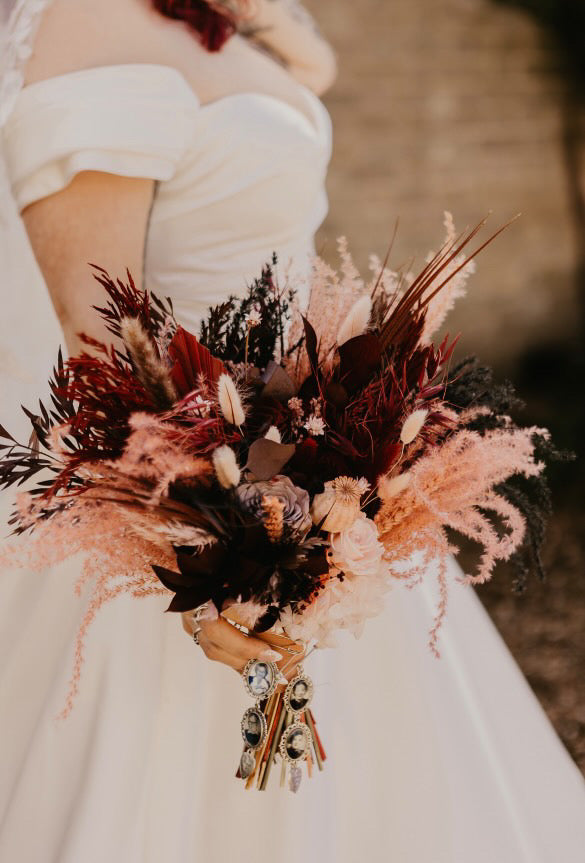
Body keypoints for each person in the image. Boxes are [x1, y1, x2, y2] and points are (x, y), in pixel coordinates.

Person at [1, 2, 585, 862]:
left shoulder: (233, 16)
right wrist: (207, 555)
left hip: (316, 469)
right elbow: (100, 356)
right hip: (179, 514)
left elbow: (301, 84)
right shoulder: (86, 24)